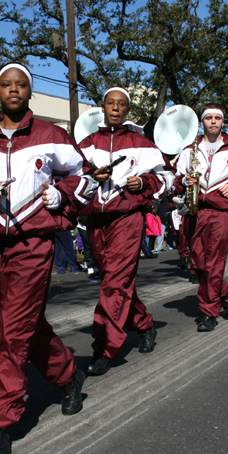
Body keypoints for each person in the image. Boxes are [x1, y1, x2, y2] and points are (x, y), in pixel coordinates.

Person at [0, 62, 95, 454]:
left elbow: (84, 176)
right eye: (6, 85)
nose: (13, 90)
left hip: (34, 245)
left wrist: (61, 195)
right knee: (26, 326)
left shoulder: (51, 135)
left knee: (13, 332)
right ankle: (68, 376)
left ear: (29, 92)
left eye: (21, 85)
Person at [78, 86, 172, 371]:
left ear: (127, 110)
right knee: (113, 281)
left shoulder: (140, 142)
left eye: (121, 105)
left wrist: (143, 183)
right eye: (111, 104)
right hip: (95, 221)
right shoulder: (87, 143)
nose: (116, 108)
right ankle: (144, 325)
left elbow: (166, 177)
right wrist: (91, 175)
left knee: (115, 283)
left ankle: (105, 348)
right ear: (103, 107)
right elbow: (74, 177)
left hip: (127, 219)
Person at [174, 103, 228, 327]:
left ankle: (208, 312)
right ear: (202, 123)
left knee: (214, 263)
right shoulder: (189, 150)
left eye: (218, 117)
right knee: (198, 266)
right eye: (209, 118)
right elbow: (176, 180)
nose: (214, 121)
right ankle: (224, 293)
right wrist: (183, 182)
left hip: (221, 213)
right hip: (195, 212)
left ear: (223, 122)